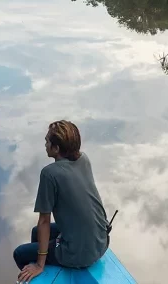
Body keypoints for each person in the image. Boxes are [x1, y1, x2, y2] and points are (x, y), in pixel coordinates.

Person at [13, 120, 109, 283]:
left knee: (20, 253)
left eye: (47, 141)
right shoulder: (83, 159)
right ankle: (51, 257)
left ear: (56, 148)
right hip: (101, 242)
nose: (45, 144)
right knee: (36, 233)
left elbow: (44, 220)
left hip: (80, 255)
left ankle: (43, 269)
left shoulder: (49, 174)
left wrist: (39, 264)